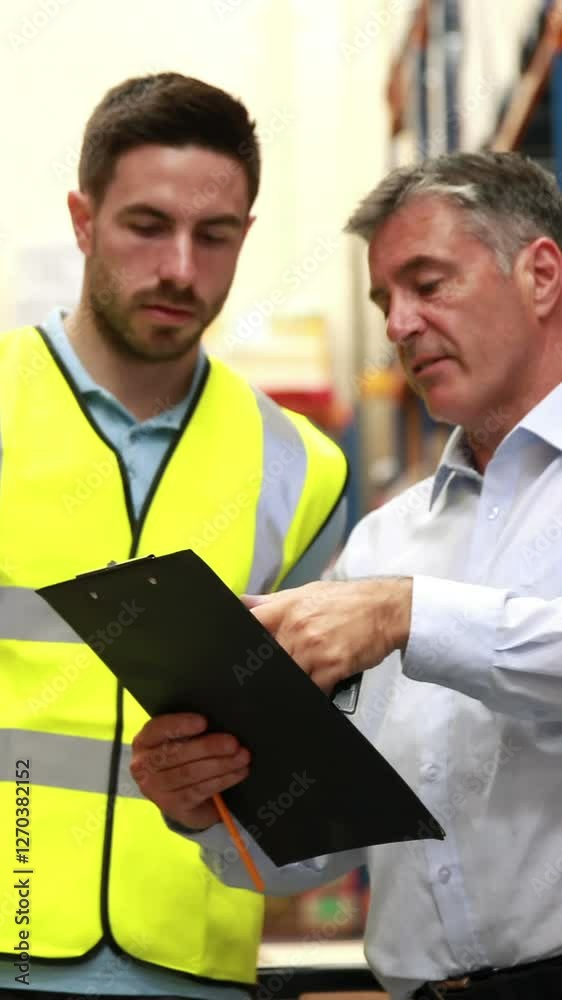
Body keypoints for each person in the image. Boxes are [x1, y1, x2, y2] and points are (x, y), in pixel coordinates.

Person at [131, 150, 562, 1000]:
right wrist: (207, 805)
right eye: (382, 301)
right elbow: (322, 848)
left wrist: (408, 616)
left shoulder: (388, 591)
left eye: (427, 284)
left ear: (541, 275)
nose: (398, 324)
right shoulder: (384, 544)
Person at [0, 73, 349, 1000]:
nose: (182, 270)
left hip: (192, 965)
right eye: (147, 227)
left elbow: (312, 784)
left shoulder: (303, 470)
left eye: (215, 235)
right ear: (83, 221)